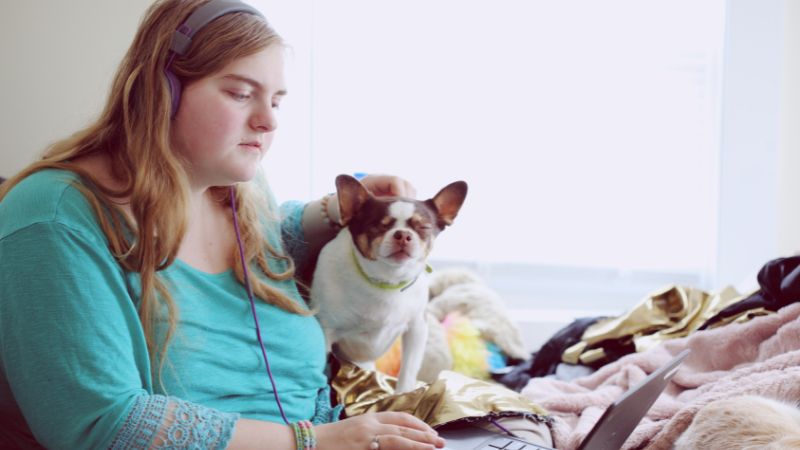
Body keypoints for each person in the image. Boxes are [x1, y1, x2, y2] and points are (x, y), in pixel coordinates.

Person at [0, 1, 443, 449]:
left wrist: (337, 210)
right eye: (240, 93)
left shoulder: (234, 188)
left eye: (276, 101)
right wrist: (316, 441)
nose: (268, 121)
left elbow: (270, 245)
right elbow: (107, 422)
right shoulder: (53, 219)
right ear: (162, 91)